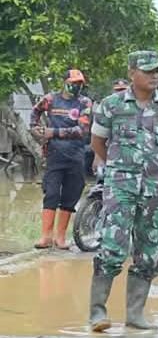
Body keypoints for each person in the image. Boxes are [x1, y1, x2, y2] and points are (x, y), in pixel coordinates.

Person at [88, 51, 158, 332]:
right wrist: (121, 168)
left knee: (150, 251)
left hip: (156, 188)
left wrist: (156, 165)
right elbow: (98, 143)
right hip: (121, 188)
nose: (155, 75)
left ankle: (135, 314)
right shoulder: (111, 105)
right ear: (132, 73)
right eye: (148, 70)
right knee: (112, 248)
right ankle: (97, 312)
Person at [30, 69, 93, 250]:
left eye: (80, 84)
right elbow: (35, 112)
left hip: (76, 156)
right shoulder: (50, 99)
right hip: (54, 155)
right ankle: (45, 237)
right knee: (51, 194)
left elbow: (82, 130)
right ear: (65, 82)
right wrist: (35, 128)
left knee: (70, 196)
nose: (76, 87)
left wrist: (53, 132)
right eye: (74, 83)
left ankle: (60, 237)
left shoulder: (84, 103)